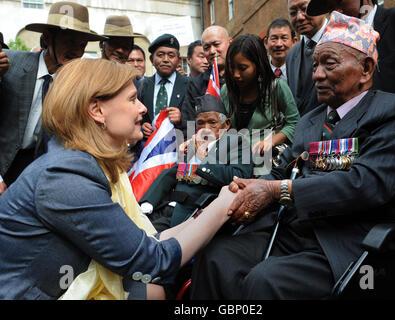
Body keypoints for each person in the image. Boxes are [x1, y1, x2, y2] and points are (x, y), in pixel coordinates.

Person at [189, 12, 395, 300]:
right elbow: (281, 169)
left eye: (329, 64)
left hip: (350, 242)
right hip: (293, 231)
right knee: (214, 257)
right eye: (315, 65)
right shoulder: (310, 120)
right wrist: (249, 187)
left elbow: (367, 183)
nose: (317, 75)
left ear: (365, 68)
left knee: (264, 282)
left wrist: (278, 190)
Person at [0, 58, 236, 300]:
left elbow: (144, 241)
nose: (143, 108)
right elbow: (154, 261)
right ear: (97, 111)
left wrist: (211, 207)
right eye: (133, 99)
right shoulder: (67, 177)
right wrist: (224, 205)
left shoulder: (83, 163)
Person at [307, 0, 395, 228]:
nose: (334, 8)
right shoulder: (327, 48)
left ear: (367, 68)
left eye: (338, 0)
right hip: (347, 184)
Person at [0, 1, 106, 195]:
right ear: (47, 38)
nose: (77, 51)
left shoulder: (78, 86)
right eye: (70, 41)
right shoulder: (8, 65)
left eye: (82, 45)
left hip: (35, 175)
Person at [139, 94, 253, 232]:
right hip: (166, 208)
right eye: (200, 123)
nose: (206, 128)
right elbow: (172, 173)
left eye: (212, 122)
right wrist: (148, 201)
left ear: (226, 124)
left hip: (195, 215)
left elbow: (239, 177)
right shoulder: (193, 144)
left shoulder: (237, 143)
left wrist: (203, 157)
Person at [221, 34, 300, 176]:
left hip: (265, 167)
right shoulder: (226, 91)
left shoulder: (277, 87)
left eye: (243, 68)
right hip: (232, 165)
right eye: (232, 68)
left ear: (258, 65)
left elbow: (294, 123)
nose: (236, 74)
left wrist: (271, 140)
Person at [180, 26, 232, 137]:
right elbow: (188, 124)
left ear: (230, 42)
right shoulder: (195, 85)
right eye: (207, 47)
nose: (212, 51)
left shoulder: (241, 77)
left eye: (217, 44)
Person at [139, 34, 188, 139]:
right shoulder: (142, 86)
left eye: (171, 56)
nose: (165, 59)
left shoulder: (190, 85)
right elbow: (135, 117)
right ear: (152, 60)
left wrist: (182, 119)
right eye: (160, 55)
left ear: (179, 61)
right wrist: (141, 127)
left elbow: (200, 121)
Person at [285, 0, 328, 116]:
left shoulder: (342, 41)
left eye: (305, 9)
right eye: (293, 13)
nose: (299, 17)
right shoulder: (291, 55)